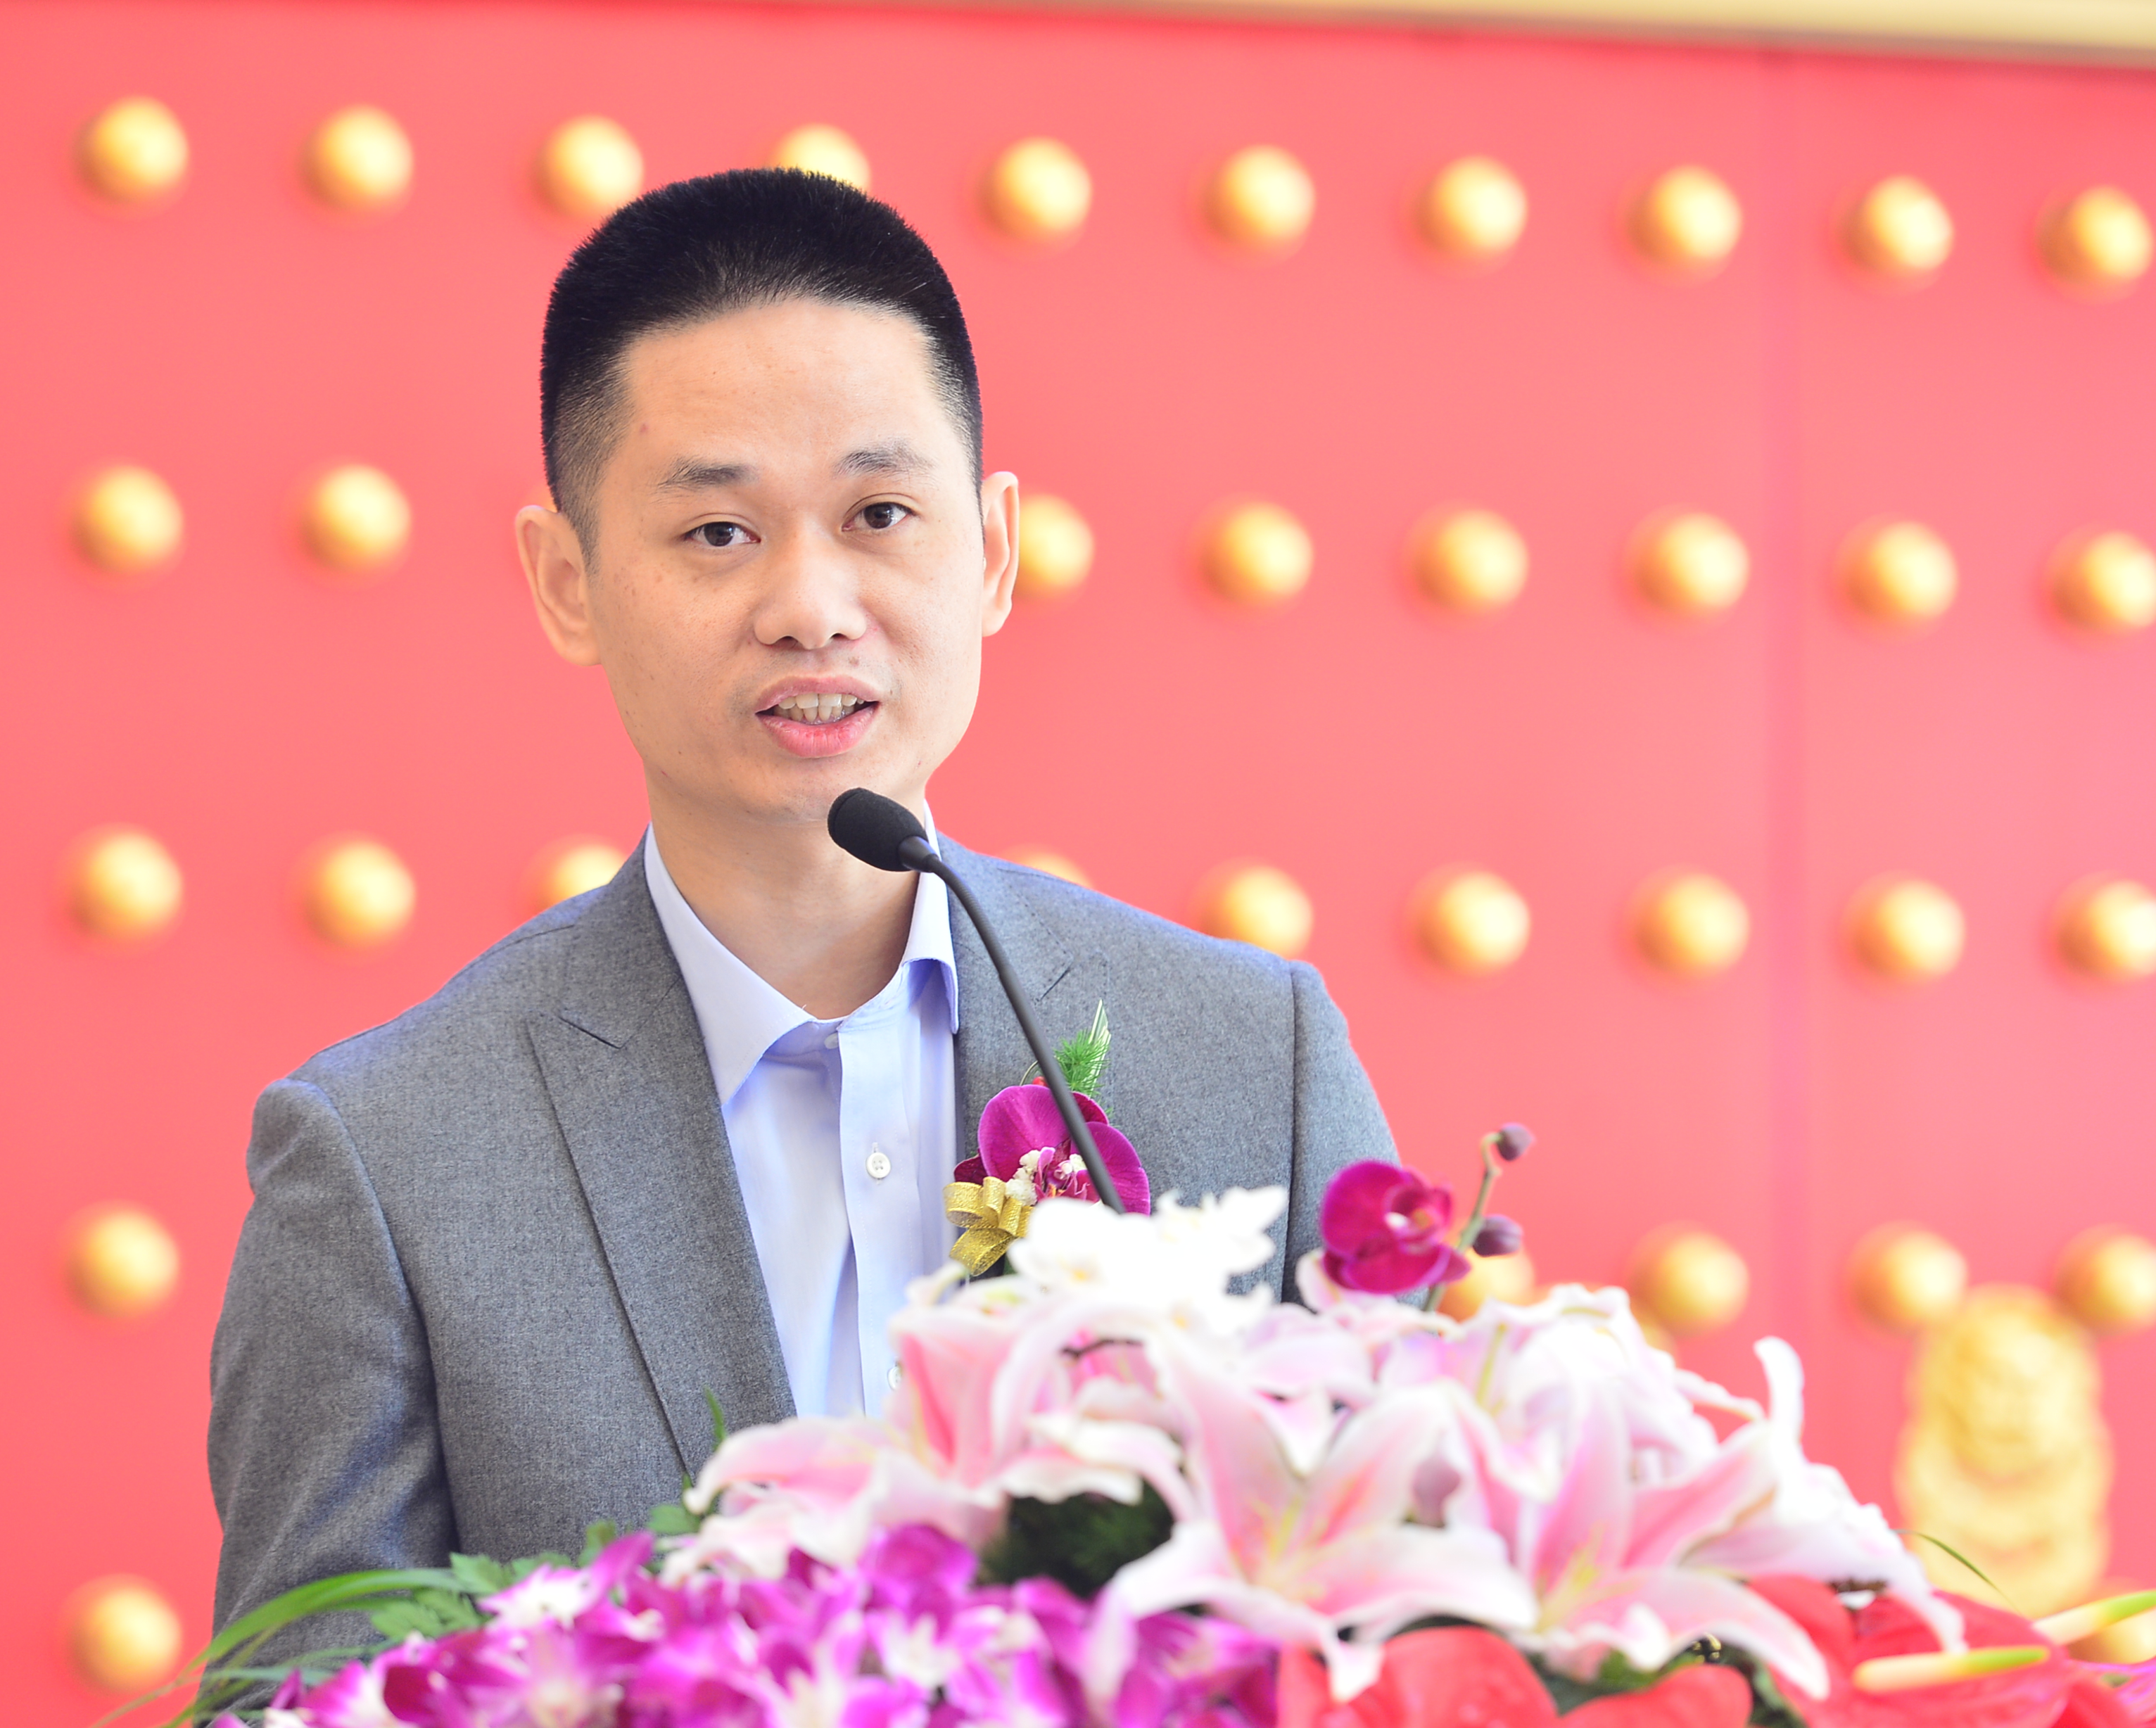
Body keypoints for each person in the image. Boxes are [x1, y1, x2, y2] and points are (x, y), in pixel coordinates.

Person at [207, 168, 1397, 1646]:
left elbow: (1405, 1631)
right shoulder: (389, 1161)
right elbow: (301, 1694)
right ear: (568, 581)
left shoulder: (1256, 1061)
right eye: (718, 534)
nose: (812, 607)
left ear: (994, 551)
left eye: (880, 512)